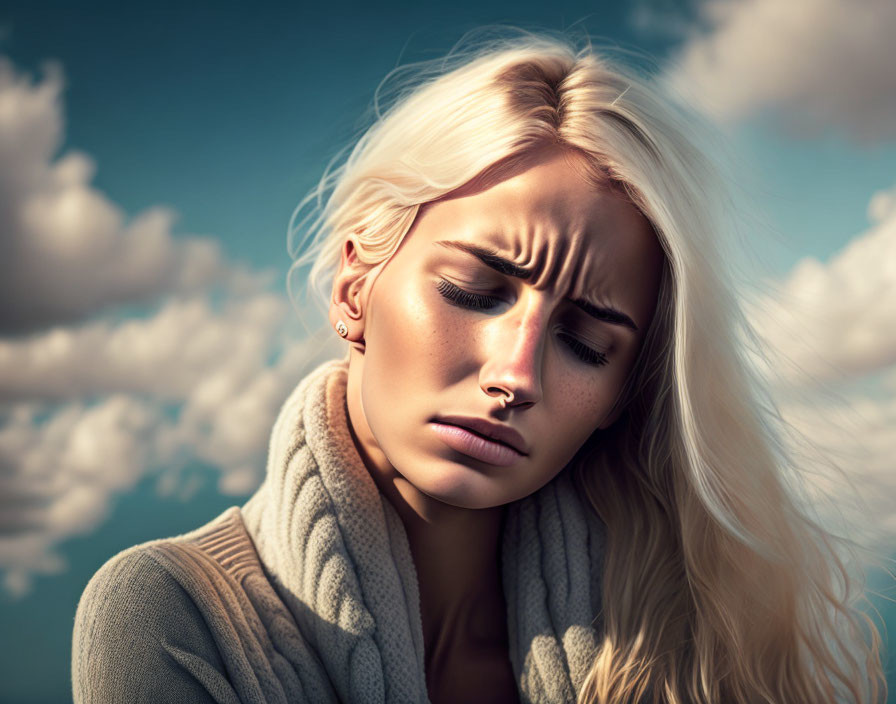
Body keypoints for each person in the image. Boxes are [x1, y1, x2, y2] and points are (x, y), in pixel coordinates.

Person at [72, 29, 887, 704]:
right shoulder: (170, 611)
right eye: (474, 291)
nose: (516, 374)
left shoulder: (687, 634)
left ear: (621, 394)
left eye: (586, 344)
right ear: (357, 282)